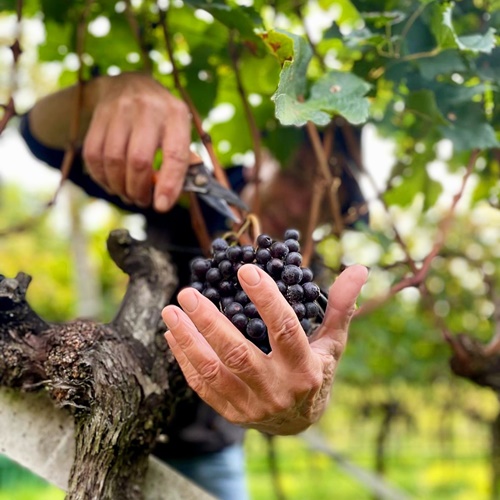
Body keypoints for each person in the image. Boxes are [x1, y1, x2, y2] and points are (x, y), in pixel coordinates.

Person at [20, 71, 368, 500]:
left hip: (212, 455)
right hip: (111, 421)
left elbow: (305, 382)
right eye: (297, 175)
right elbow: (38, 137)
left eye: (322, 195)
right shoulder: (196, 190)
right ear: (268, 157)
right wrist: (107, 91)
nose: (299, 204)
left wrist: (298, 413)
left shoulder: (306, 277)